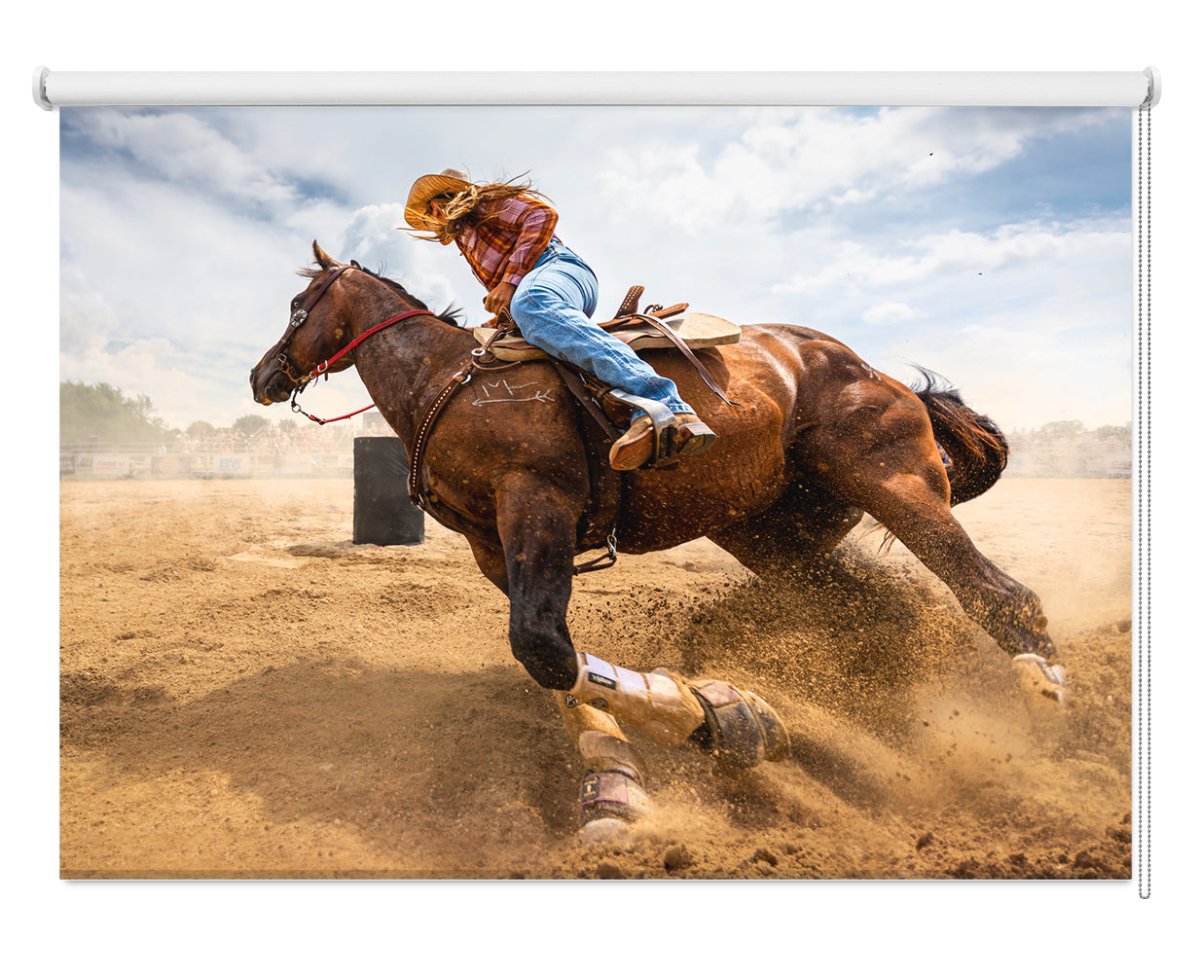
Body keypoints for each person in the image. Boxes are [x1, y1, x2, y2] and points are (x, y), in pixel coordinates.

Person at [403, 169, 715, 470]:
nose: (433, 218)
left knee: (533, 303)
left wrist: (510, 284)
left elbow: (542, 216)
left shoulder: (484, 201)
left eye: (432, 209)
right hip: (537, 281)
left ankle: (664, 401)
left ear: (442, 201)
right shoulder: (466, 240)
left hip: (558, 267)